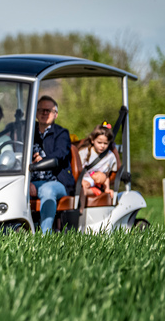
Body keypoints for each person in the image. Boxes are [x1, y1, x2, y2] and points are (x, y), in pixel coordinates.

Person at [31, 96, 76, 233]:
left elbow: (59, 155)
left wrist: (41, 161)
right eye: (41, 110)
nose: (45, 113)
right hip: (31, 180)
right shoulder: (29, 132)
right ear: (35, 113)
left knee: (47, 190)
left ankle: (46, 236)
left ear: (55, 114)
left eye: (48, 111)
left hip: (57, 181)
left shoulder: (61, 133)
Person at [77, 123, 118, 201]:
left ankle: (80, 212)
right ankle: (80, 211)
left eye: (105, 143)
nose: (102, 146)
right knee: (81, 190)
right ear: (93, 140)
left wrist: (107, 189)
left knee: (83, 191)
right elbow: (76, 171)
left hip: (97, 185)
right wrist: (82, 181)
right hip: (82, 182)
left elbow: (106, 176)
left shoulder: (110, 156)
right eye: (99, 143)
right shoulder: (84, 153)